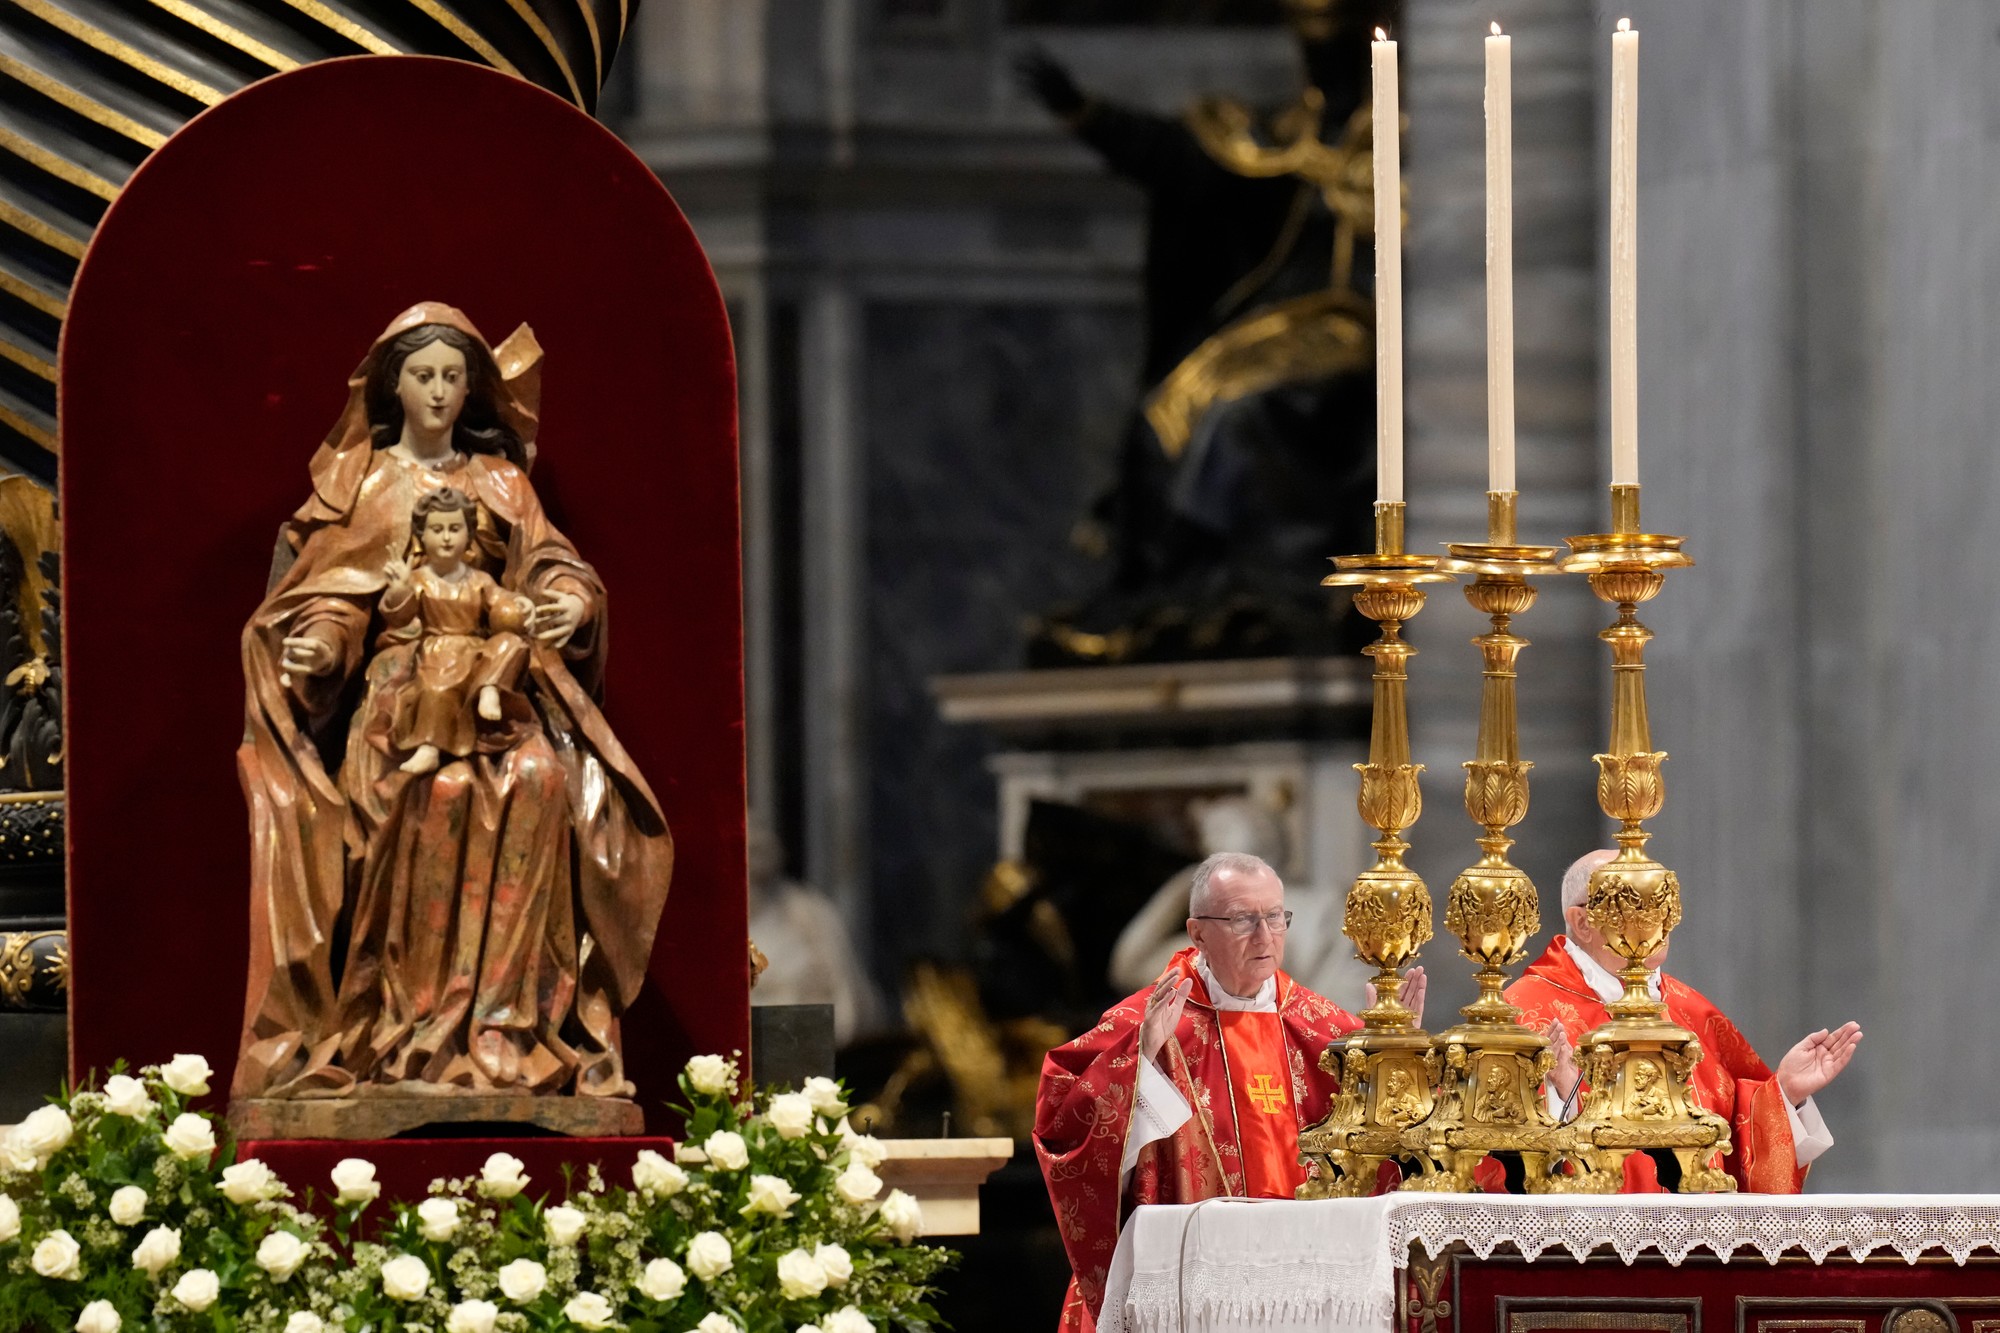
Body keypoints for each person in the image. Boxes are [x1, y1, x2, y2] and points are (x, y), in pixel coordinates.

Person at [235, 302, 673, 1100]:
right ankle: (404, 1021)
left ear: (471, 389)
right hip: (400, 701)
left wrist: (571, 602)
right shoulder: (366, 483)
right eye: (422, 376)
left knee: (540, 779)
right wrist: (322, 646)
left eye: (451, 377)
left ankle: (505, 1023)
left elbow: (549, 567)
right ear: (393, 386)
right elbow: (335, 595)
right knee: (431, 791)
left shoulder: (502, 481)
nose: (438, 393)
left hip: (497, 696)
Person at [1034, 850, 1426, 1332]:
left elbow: (1382, 1148)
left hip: (1302, 1287)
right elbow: (1064, 1128)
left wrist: (1395, 1062)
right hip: (1192, 1286)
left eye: (1276, 918)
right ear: (1197, 932)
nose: (1266, 937)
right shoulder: (1150, 1021)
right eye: (1243, 920)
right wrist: (1137, 1065)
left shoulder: (1323, 1027)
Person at [1505, 849, 1862, 1192]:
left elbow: (1735, 1136)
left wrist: (1784, 1094)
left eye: (1663, 903)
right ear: (1582, 922)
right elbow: (1492, 1162)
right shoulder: (1524, 1012)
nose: (1658, 920)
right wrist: (1561, 1096)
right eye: (1633, 904)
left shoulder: (1690, 1009)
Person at [376, 486, 533, 776]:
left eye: (455, 528)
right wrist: (399, 590)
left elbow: (502, 605)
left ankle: (489, 689)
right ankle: (429, 748)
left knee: (513, 643)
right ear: (422, 535)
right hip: (439, 654)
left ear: (470, 533)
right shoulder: (420, 579)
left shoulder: (481, 579)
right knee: (435, 690)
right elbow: (400, 617)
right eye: (437, 529)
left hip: (477, 654)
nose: (446, 537)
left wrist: (519, 605)